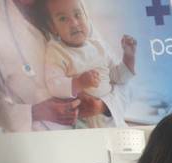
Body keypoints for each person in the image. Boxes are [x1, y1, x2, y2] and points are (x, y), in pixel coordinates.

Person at [0, 0, 110, 131]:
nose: (73, 22)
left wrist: (102, 106)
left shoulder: (70, 5)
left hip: (101, 129)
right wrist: (35, 112)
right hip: (45, 139)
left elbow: (114, 71)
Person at [41, 0, 136, 128]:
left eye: (78, 15)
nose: (74, 23)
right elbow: (54, 83)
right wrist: (78, 83)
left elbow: (118, 77)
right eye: (63, 19)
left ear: (87, 17)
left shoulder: (98, 47)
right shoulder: (56, 51)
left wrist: (129, 57)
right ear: (53, 27)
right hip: (82, 121)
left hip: (109, 118)